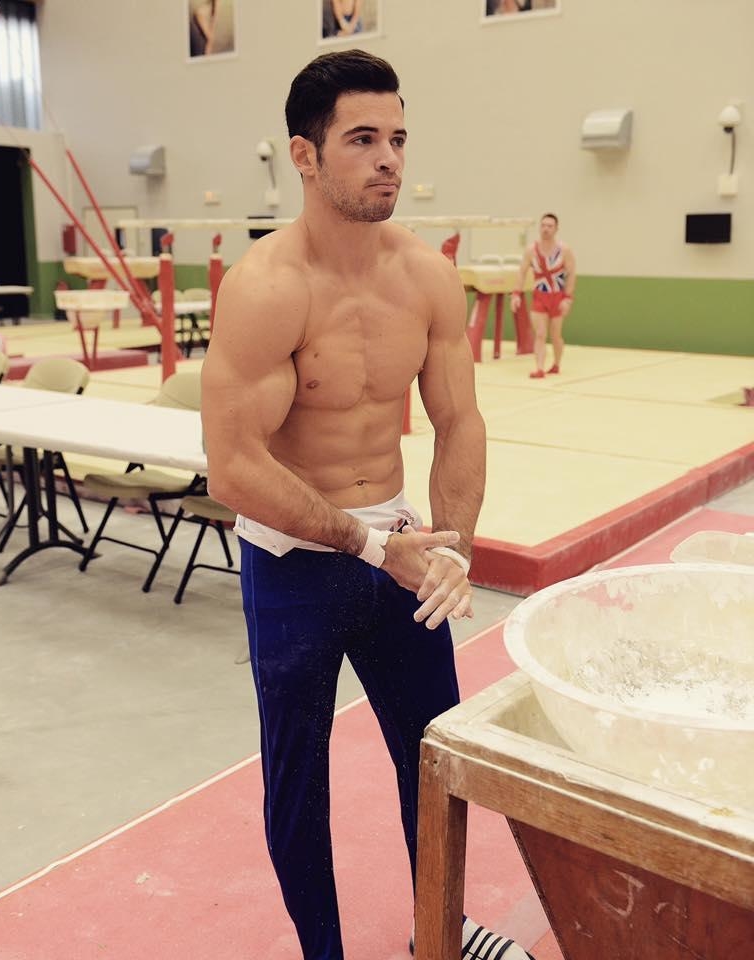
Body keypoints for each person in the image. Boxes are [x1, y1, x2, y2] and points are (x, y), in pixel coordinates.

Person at [201, 50, 535, 960]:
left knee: (436, 759)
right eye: (361, 139)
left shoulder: (425, 276)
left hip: (401, 553)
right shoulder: (266, 289)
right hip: (294, 565)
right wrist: (366, 542)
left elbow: (459, 420)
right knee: (298, 780)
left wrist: (454, 545)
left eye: (397, 138)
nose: (388, 158)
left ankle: (441, 933)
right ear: (305, 156)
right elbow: (232, 467)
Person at [511, 213, 576, 378]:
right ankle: (539, 368)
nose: (546, 229)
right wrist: (516, 294)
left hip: (558, 297)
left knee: (556, 335)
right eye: (543, 225)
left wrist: (568, 299)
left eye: (550, 226)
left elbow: (571, 274)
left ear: (556, 229)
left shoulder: (564, 250)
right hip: (540, 297)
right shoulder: (531, 250)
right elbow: (522, 273)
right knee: (540, 333)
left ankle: (556, 364)